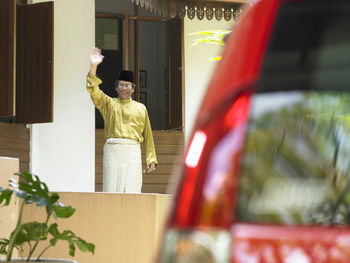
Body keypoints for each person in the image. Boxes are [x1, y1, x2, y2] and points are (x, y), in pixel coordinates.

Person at [86, 47, 157, 193]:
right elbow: (93, 90)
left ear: (133, 88)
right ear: (116, 88)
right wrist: (94, 66)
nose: (124, 88)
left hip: (133, 150)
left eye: (127, 85)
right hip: (113, 150)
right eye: (121, 85)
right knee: (111, 189)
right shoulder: (108, 104)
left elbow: (148, 134)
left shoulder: (141, 108)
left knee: (133, 188)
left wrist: (151, 158)